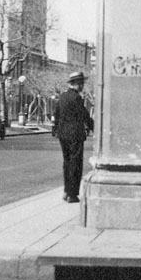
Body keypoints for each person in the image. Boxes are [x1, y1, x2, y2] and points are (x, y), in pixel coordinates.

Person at [52, 71, 94, 203]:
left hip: (63, 134)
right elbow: (84, 115)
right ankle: (72, 194)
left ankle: (66, 191)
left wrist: (56, 129)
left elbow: (56, 114)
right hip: (75, 134)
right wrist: (94, 127)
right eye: (81, 83)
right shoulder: (76, 98)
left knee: (67, 162)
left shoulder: (63, 97)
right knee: (76, 164)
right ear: (77, 84)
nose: (82, 86)